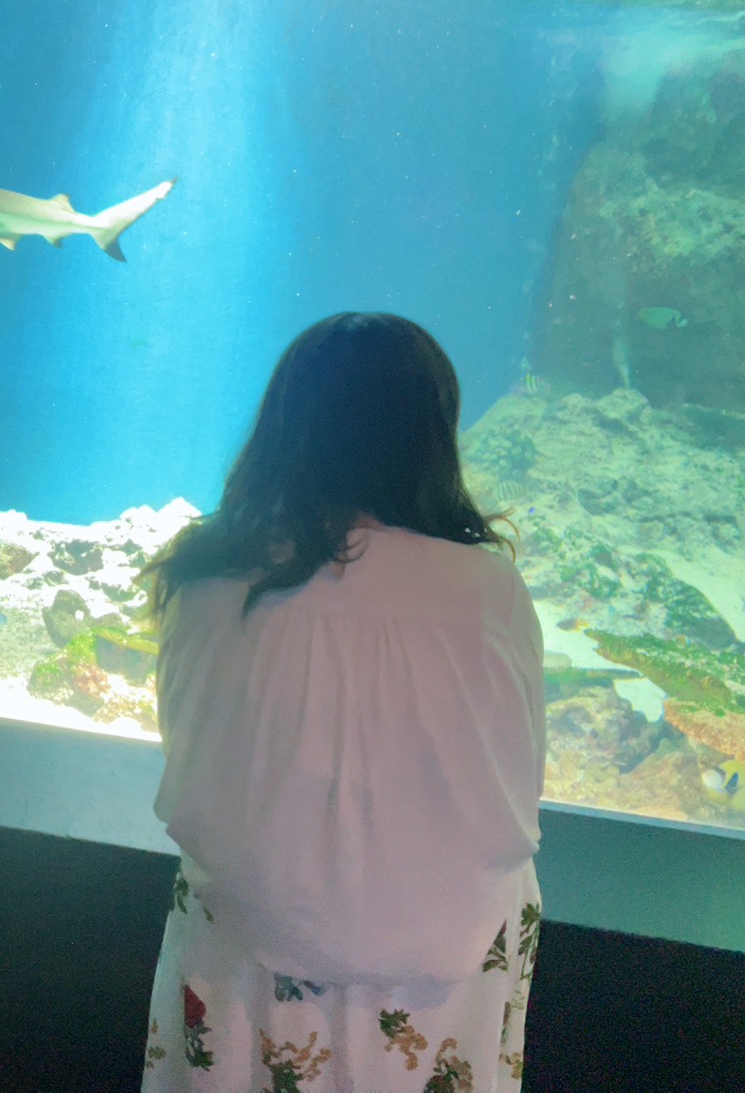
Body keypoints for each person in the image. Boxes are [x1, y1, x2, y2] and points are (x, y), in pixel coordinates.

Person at [139, 313, 545, 1092]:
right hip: (450, 970)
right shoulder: (489, 589)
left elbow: (196, 775)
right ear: (433, 433)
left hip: (246, 953)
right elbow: (513, 788)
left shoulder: (206, 579)